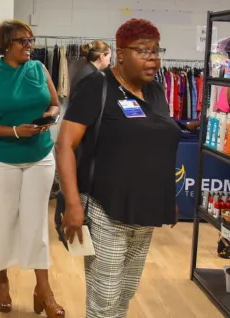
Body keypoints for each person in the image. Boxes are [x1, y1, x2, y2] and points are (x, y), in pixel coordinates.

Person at [56, 18, 180, 318]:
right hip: (105, 207)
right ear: (121, 53)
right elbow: (64, 147)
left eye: (156, 51)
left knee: (126, 291)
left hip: (145, 208)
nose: (153, 59)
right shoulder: (96, 86)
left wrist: (167, 196)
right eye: (143, 51)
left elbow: (158, 143)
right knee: (105, 296)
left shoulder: (156, 91)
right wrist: (72, 204)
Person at [0, 19, 65, 316]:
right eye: (22, 41)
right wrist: (13, 131)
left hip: (39, 155)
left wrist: (49, 115)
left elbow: (54, 101)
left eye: (30, 40)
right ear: (5, 44)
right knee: (3, 221)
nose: (29, 46)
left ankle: (43, 288)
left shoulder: (39, 69)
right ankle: (1, 280)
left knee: (36, 222)